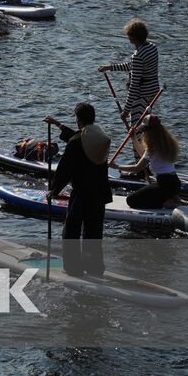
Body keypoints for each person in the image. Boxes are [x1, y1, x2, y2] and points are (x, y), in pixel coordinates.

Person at [45, 103, 111, 277]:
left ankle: (74, 268)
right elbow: (78, 138)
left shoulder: (77, 142)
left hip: (82, 193)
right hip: (100, 193)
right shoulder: (100, 137)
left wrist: (54, 190)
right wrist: (58, 124)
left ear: (78, 118)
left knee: (71, 231)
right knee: (94, 232)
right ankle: (95, 268)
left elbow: (65, 168)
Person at [99, 18, 160, 160]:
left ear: (132, 37)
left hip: (141, 96)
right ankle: (149, 161)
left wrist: (126, 110)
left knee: (136, 132)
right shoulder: (152, 47)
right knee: (146, 129)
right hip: (152, 92)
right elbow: (134, 66)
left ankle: (140, 167)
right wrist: (110, 67)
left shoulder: (138, 56)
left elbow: (134, 85)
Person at [111, 115, 183, 209]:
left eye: (144, 131)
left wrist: (116, 166)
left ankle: (166, 203)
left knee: (131, 200)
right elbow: (143, 155)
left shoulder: (153, 148)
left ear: (150, 132)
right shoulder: (167, 143)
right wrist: (133, 138)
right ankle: (173, 198)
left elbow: (136, 168)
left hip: (164, 185)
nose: (143, 133)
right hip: (175, 184)